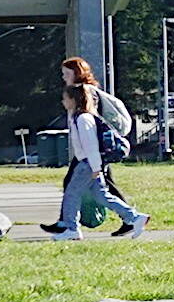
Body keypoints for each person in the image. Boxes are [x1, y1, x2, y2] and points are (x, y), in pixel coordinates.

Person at [47, 83, 149, 239]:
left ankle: (72, 229)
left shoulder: (83, 119)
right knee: (102, 196)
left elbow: (91, 146)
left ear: (74, 100)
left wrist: (96, 167)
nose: (63, 102)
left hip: (88, 164)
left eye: (65, 98)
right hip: (91, 163)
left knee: (71, 194)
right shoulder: (80, 117)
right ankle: (135, 218)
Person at [57, 57, 134, 204]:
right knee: (104, 184)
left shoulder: (85, 92)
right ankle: (130, 218)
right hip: (92, 146)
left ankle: (67, 222)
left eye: (67, 73)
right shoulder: (79, 90)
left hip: (92, 146)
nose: (64, 77)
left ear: (76, 73)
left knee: (73, 182)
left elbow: (91, 120)